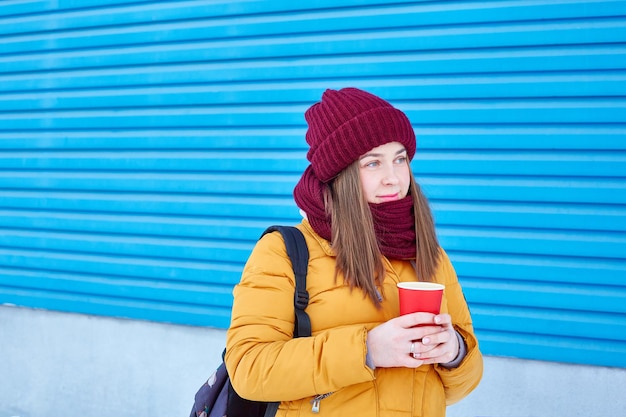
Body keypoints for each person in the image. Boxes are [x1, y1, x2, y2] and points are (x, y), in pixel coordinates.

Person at [225, 87, 483, 416]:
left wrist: (454, 352)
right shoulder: (284, 252)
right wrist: (366, 350)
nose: (393, 178)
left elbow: (464, 382)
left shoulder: (427, 255)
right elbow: (249, 369)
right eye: (373, 163)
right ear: (340, 175)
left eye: (400, 159)